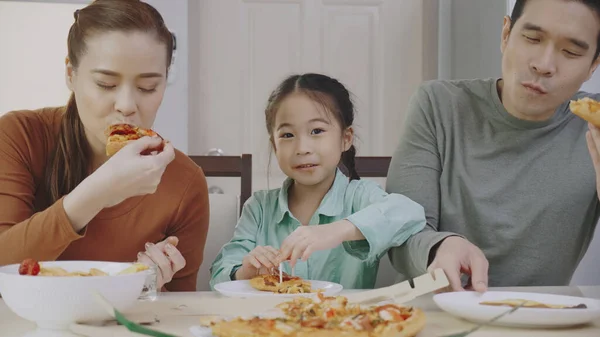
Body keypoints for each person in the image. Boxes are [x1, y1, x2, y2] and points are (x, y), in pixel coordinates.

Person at [386, 0, 600, 291]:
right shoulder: (438, 105)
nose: (544, 65)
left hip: (543, 319)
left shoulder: (593, 126)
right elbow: (400, 231)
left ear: (593, 66)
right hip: (431, 313)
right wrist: (439, 247)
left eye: (571, 52)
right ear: (505, 34)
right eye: (532, 38)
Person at [0, 0, 209, 291]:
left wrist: (147, 287)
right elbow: (3, 265)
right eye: (105, 84)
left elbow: (180, 310)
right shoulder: (19, 135)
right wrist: (97, 193)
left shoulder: (184, 182)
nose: (126, 106)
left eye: (148, 87)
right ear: (71, 74)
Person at [210, 73, 426, 289]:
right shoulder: (259, 208)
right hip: (270, 321)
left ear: (345, 139)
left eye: (317, 131)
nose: (302, 148)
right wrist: (244, 272)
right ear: (275, 145)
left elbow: (410, 213)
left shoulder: (360, 196)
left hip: (344, 320)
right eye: (287, 135)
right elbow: (218, 276)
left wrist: (336, 231)